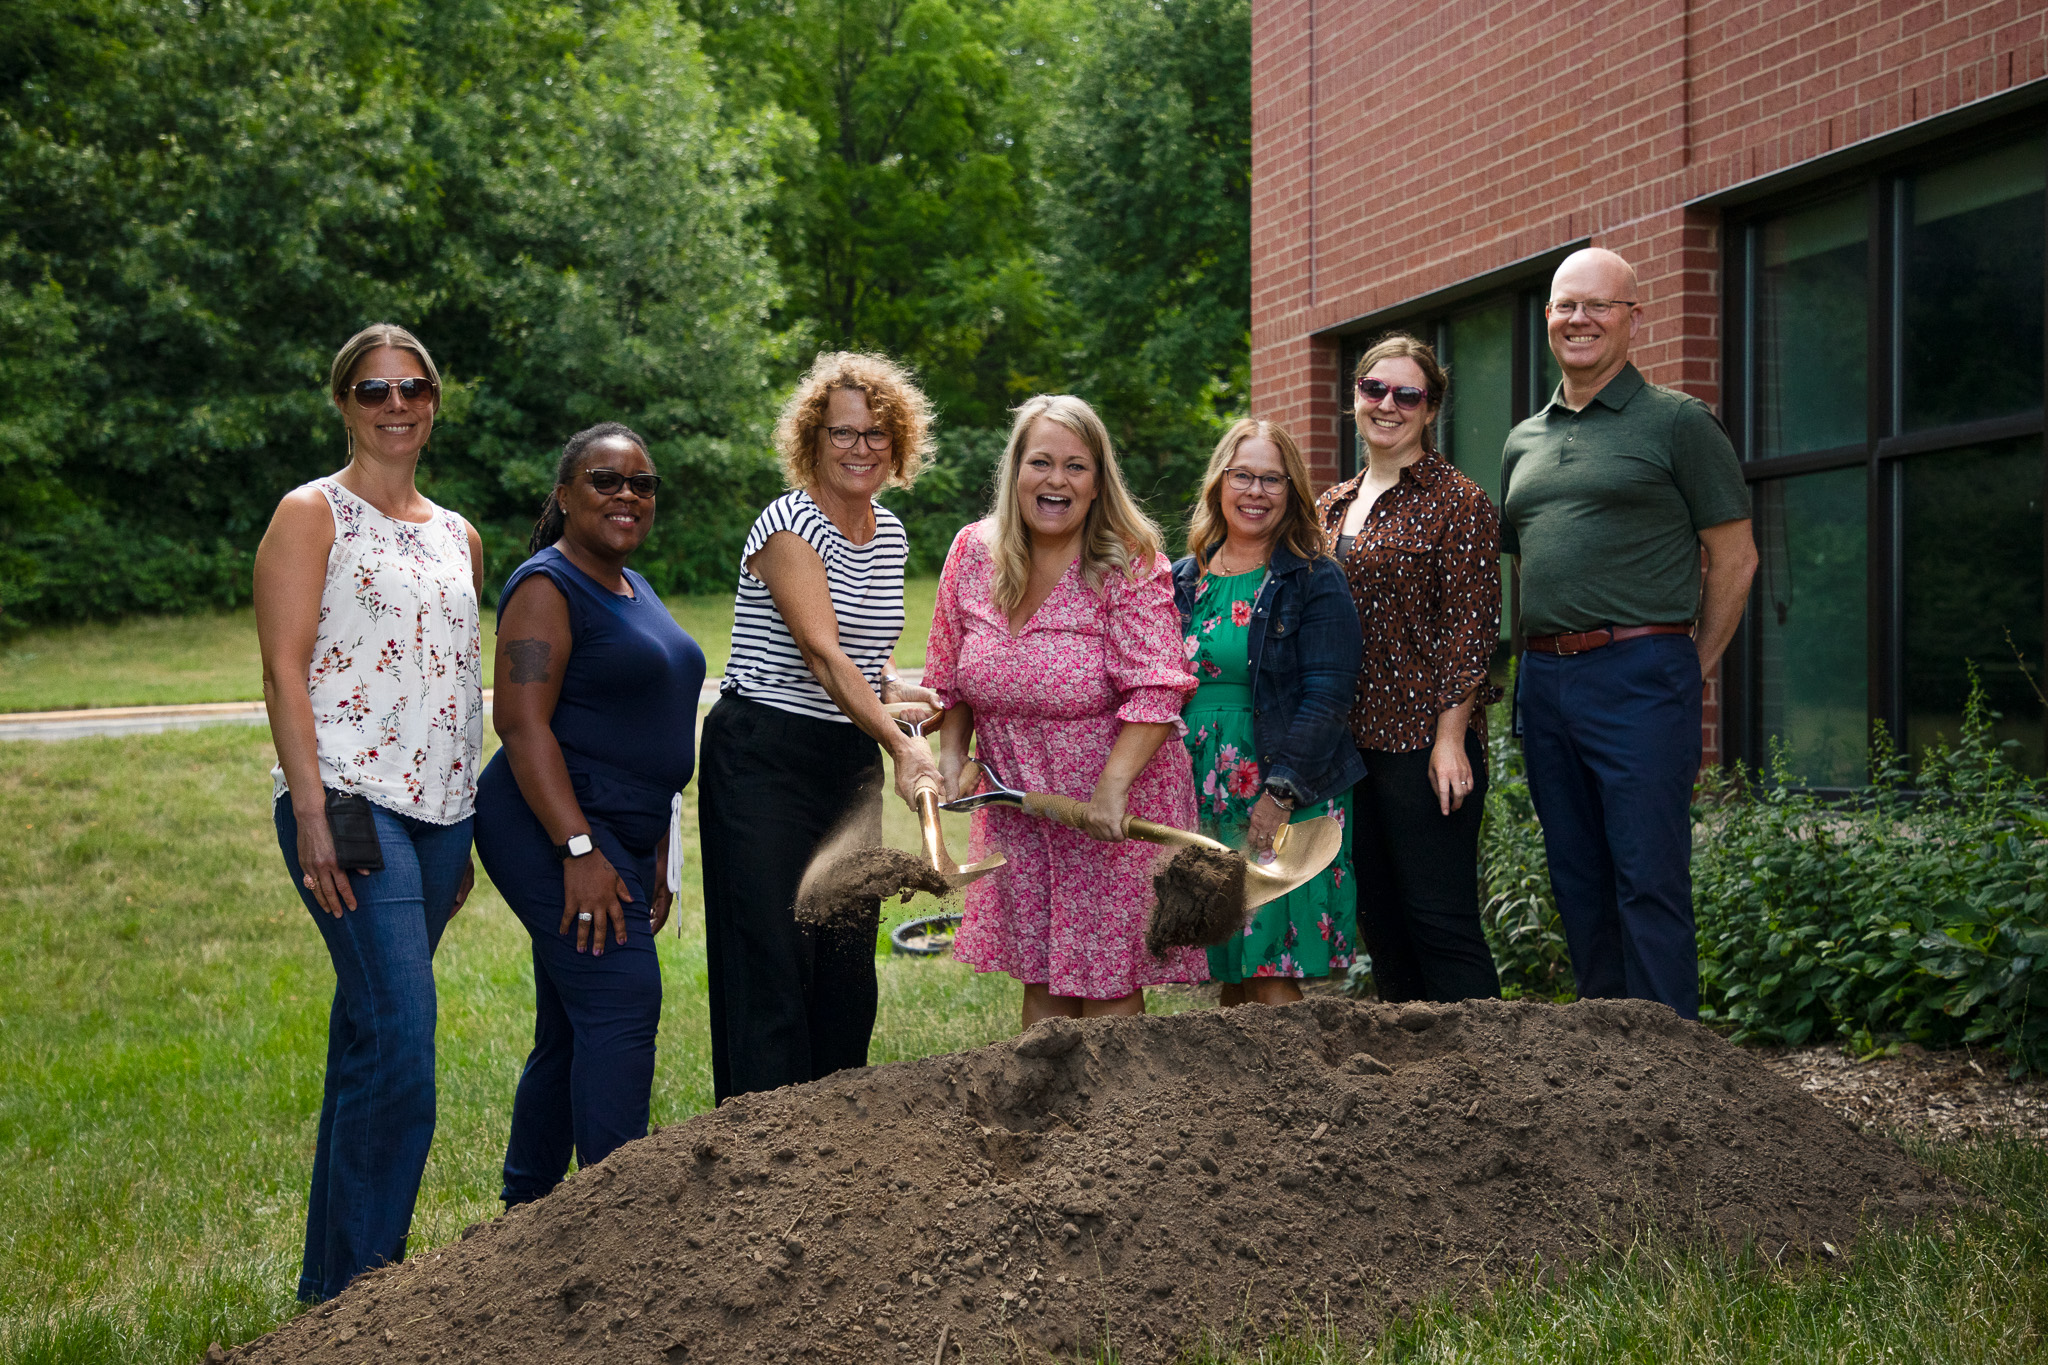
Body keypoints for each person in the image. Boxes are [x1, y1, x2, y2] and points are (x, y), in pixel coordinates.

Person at [254, 323, 484, 1302]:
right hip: (349, 804)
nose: (397, 405)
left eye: (413, 386)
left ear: (434, 399)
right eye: (373, 390)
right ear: (344, 404)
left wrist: (465, 821)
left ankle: (326, 1298)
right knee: (402, 1054)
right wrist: (310, 813)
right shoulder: (312, 514)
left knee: (366, 1044)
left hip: (440, 818)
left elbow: (464, 678)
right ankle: (370, 1300)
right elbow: (282, 668)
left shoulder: (458, 533)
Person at [1500, 248, 1758, 1020]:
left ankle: (1674, 1072)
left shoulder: (1678, 422)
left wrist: (1690, 666)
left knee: (1647, 874)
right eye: (1565, 305)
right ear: (1547, 317)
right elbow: (1526, 567)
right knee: (1576, 874)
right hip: (1544, 680)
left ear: (1632, 318)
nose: (1579, 319)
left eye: (1599, 306)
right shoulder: (1524, 439)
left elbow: (1736, 559)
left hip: (1642, 669)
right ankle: (1610, 1075)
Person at [698, 352, 944, 1103]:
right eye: (843, 433)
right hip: (763, 760)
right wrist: (900, 744)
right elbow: (821, 652)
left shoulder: (891, 533)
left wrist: (907, 698)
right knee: (771, 961)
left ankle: (833, 1152)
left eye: (875, 434)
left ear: (897, 442)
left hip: (843, 764)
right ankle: (760, 1148)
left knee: (843, 965)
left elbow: (864, 664)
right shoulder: (788, 523)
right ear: (813, 439)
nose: (859, 448)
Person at [474, 423, 705, 1206]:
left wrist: (658, 850)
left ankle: (525, 1210)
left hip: (621, 832)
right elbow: (520, 721)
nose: (627, 495)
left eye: (642, 483)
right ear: (566, 496)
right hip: (549, 823)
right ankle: (614, 1227)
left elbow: (653, 732)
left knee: (574, 1022)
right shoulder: (546, 587)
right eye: (606, 481)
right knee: (620, 997)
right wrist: (578, 847)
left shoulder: (634, 588)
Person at [929, 394, 1204, 1025]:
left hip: (1114, 798)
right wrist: (950, 757)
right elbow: (951, 679)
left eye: (1076, 466)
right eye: (1042, 462)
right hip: (1021, 804)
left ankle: (1119, 1122)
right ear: (1015, 471)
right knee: (1043, 976)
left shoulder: (1126, 559)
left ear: (1098, 481)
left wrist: (1112, 790)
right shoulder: (973, 552)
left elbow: (1157, 688)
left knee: (1106, 983)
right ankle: (1046, 1116)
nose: (1057, 480)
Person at [1317, 333, 1504, 1004]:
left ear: (1430, 410)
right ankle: (1418, 1081)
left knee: (1441, 921)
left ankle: (1489, 1071)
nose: (1386, 405)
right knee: (1383, 923)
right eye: (1374, 389)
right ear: (1356, 398)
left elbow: (1473, 629)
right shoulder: (1332, 504)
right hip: (1349, 751)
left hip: (1422, 747)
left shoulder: (1461, 502)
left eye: (1406, 394)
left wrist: (1452, 738)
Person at [1172, 419, 1364, 1003]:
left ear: (1293, 492)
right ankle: (1245, 1096)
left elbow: (1329, 695)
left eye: (1272, 480)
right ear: (1218, 484)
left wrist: (1279, 795)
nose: (1256, 492)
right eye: (1243, 476)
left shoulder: (1313, 578)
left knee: (1272, 963)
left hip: (1283, 782)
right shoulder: (1184, 580)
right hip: (1204, 785)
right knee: (1234, 962)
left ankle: (1298, 1094)